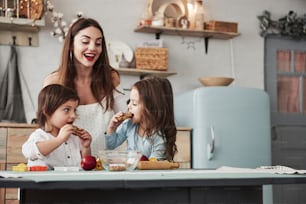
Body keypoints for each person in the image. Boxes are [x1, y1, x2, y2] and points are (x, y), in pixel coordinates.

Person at [43, 18, 127, 156]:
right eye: (85, 42)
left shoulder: (111, 78)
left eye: (98, 43)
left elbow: (126, 121)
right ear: (71, 44)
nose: (93, 48)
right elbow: (47, 130)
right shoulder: (54, 81)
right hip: (67, 164)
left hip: (107, 164)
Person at [105, 77, 177, 161]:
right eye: (129, 101)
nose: (129, 106)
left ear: (151, 108)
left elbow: (151, 167)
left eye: (134, 104)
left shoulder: (158, 138)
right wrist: (112, 127)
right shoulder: (129, 124)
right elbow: (111, 145)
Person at [22, 84, 92, 169]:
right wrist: (59, 139)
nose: (73, 115)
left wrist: (85, 147)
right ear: (47, 111)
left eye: (74, 110)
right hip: (46, 182)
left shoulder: (74, 138)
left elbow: (85, 166)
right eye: (67, 110)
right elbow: (29, 152)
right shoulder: (40, 136)